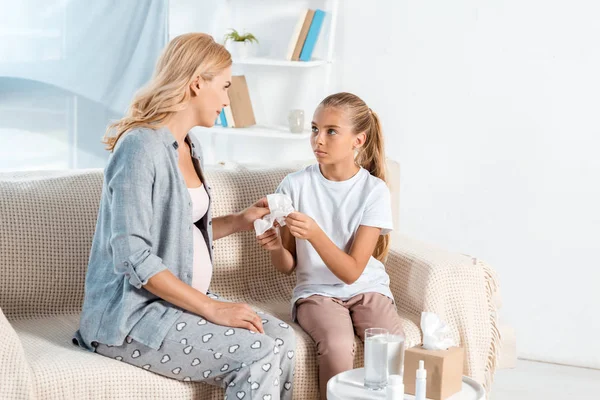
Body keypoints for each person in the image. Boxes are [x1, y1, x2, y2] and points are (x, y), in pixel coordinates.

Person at [73, 33, 295, 400]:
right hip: (133, 315)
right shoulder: (140, 146)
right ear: (196, 83)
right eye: (224, 86)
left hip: (181, 301)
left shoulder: (190, 147)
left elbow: (184, 229)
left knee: (282, 338)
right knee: (259, 352)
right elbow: (133, 255)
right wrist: (212, 308)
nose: (227, 99)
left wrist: (241, 219)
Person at [257, 92, 403, 399]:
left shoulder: (373, 191)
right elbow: (288, 266)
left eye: (331, 131)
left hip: (367, 288)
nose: (317, 140)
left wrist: (315, 233)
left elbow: (352, 272)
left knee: (390, 344)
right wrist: (275, 249)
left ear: (358, 141)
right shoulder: (294, 186)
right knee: (337, 345)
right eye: (314, 129)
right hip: (317, 293)